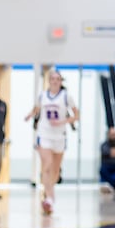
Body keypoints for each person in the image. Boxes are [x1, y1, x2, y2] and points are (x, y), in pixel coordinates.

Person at [23, 68, 79, 214]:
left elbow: (76, 116)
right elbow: (36, 109)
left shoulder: (66, 96)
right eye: (52, 79)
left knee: (55, 171)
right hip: (44, 134)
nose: (55, 81)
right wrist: (29, 115)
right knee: (46, 165)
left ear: (61, 82)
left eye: (57, 79)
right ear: (49, 81)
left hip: (59, 136)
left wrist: (62, 121)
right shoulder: (42, 96)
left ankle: (48, 191)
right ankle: (49, 198)